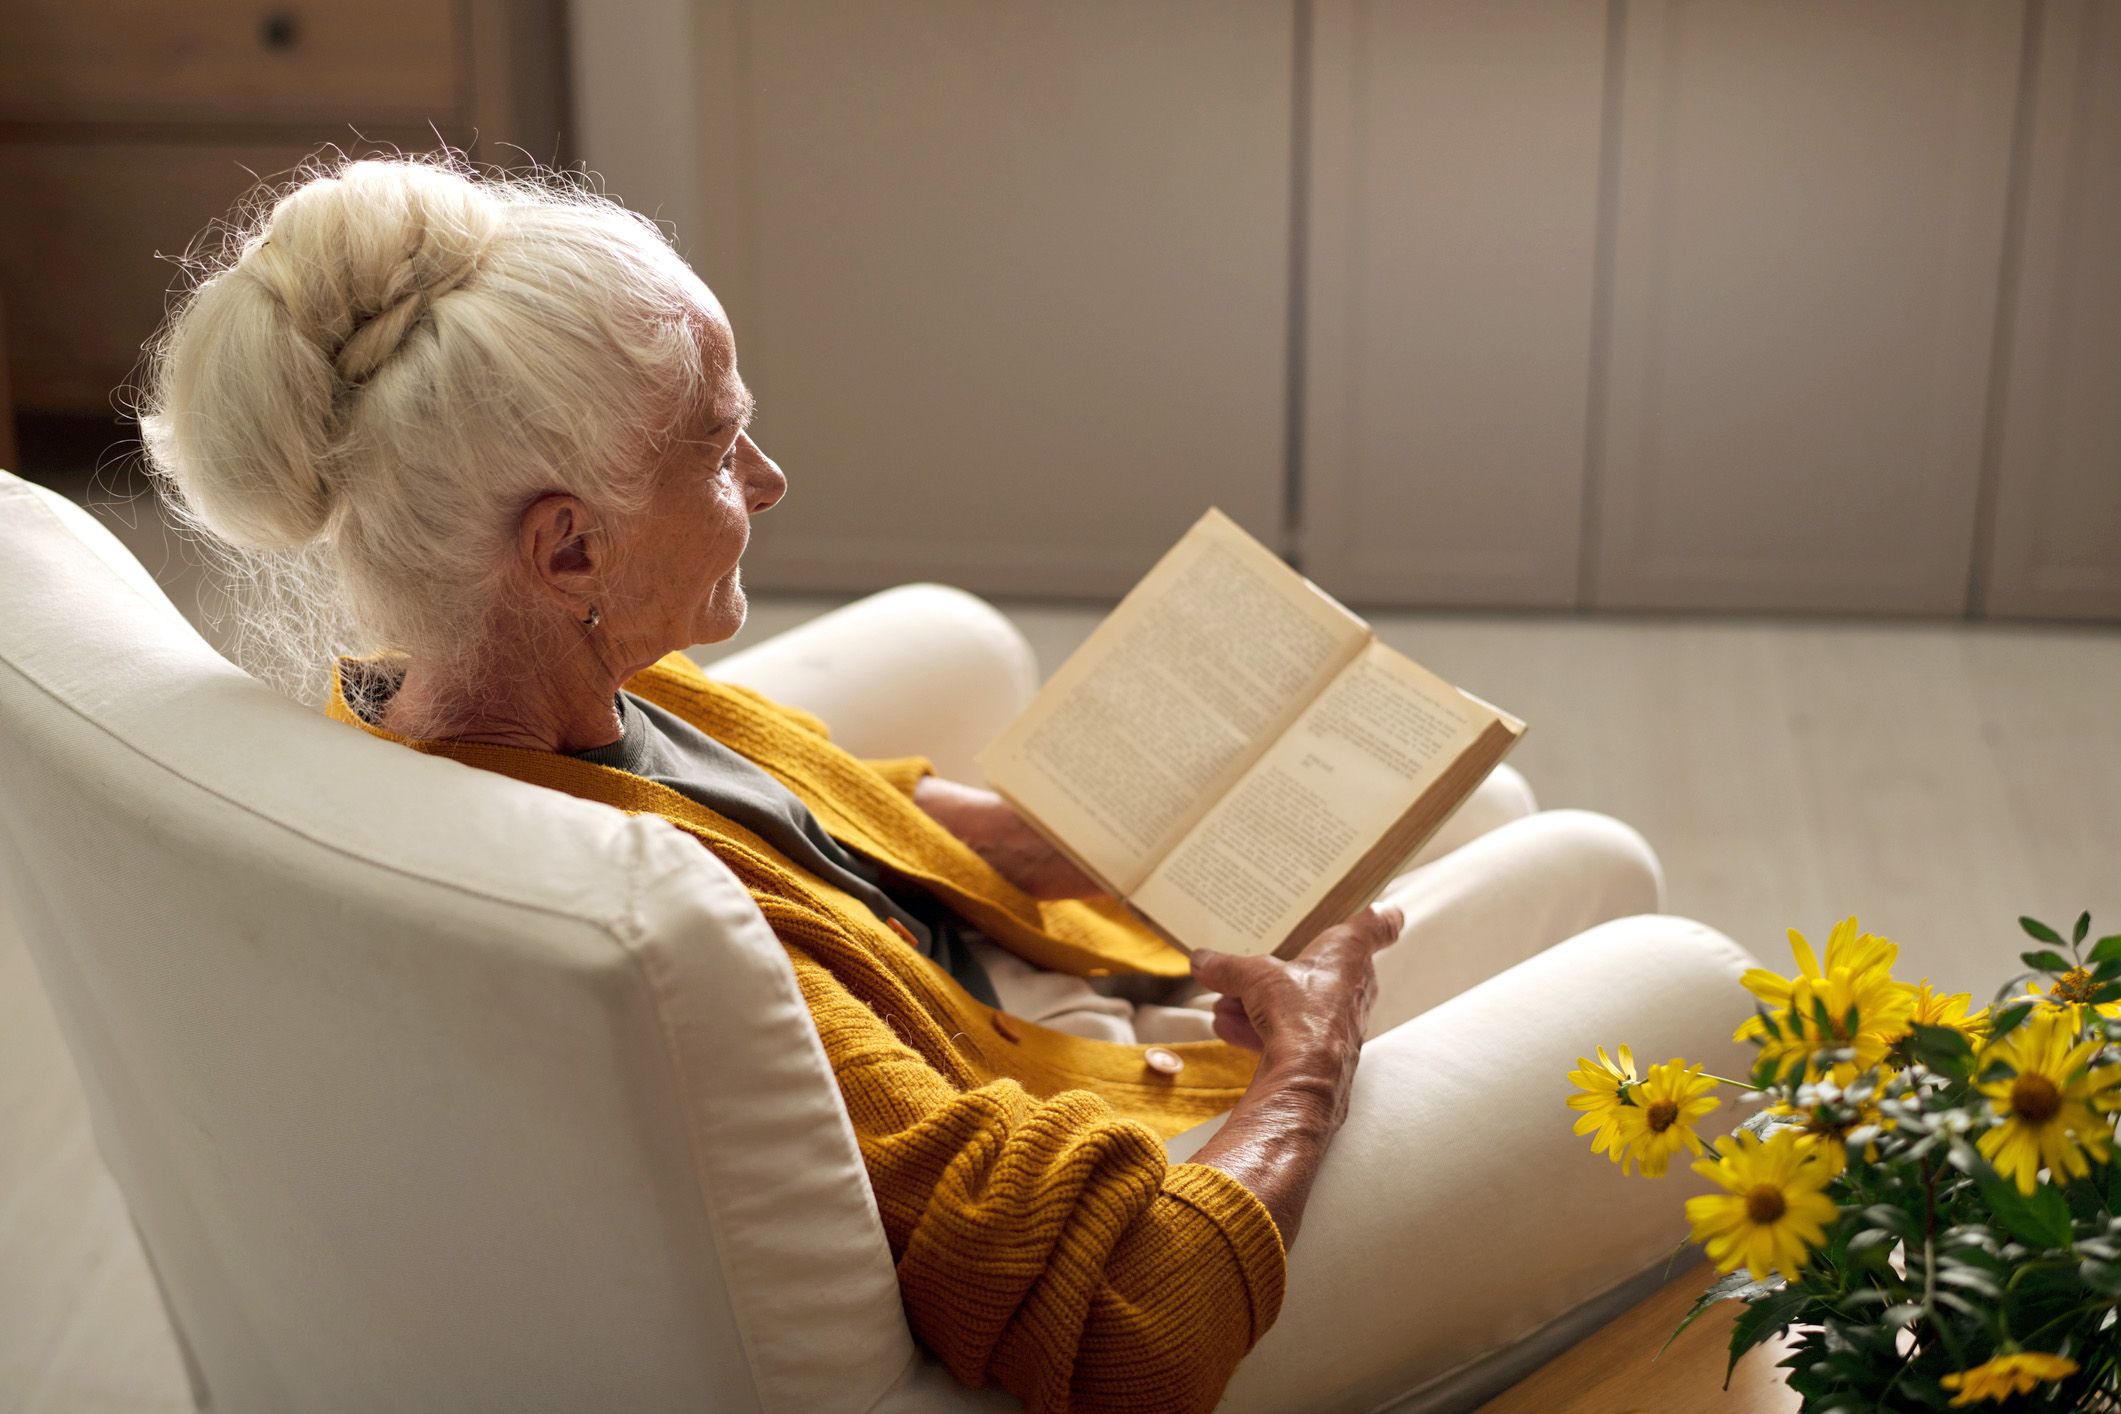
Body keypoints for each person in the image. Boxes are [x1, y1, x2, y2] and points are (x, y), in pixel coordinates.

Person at [137, 153, 1665, 1413]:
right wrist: (1309, 1061)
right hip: (1118, 1190)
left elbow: (806, 832)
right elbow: (1132, 1315)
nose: (771, 482)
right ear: (567, 548)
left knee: (1495, 827)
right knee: (1600, 879)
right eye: (722, 448)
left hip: (1004, 1004)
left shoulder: (470, 686)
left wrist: (1079, 838)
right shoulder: (663, 939)